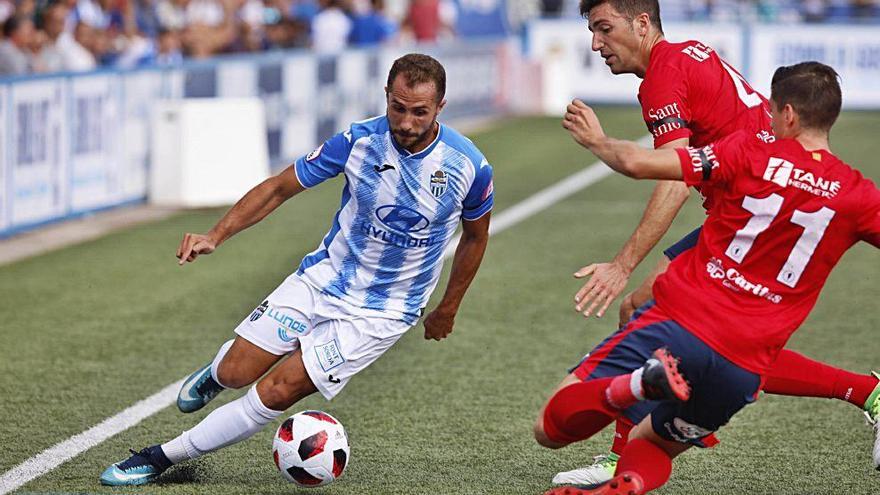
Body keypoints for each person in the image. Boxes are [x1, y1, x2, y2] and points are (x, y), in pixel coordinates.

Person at [99, 53, 495, 486]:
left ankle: (159, 457)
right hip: (323, 279)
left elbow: (474, 238)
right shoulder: (358, 141)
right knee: (235, 373)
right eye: (397, 108)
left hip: (383, 313)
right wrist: (217, 234)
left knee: (276, 391)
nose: (406, 122)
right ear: (386, 97)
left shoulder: (468, 167)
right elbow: (278, 187)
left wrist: (448, 308)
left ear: (440, 107)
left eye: (419, 111)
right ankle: (216, 374)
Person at [549, 0, 880, 485]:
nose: (596, 44)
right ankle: (865, 391)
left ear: (642, 24)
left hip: (753, 211)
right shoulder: (687, 55)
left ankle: (621, 458)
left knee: (677, 321)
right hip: (763, 204)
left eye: (603, 29)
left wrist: (622, 264)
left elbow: (673, 179)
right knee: (715, 334)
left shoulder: (664, 75)